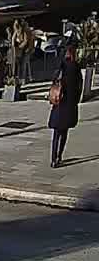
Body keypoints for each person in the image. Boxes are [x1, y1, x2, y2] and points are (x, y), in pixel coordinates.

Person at [49, 37, 83, 168]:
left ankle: (53, 159)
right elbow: (79, 85)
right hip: (70, 104)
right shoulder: (76, 66)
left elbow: (54, 79)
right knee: (64, 133)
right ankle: (59, 156)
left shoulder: (62, 64)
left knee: (56, 133)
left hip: (60, 101)